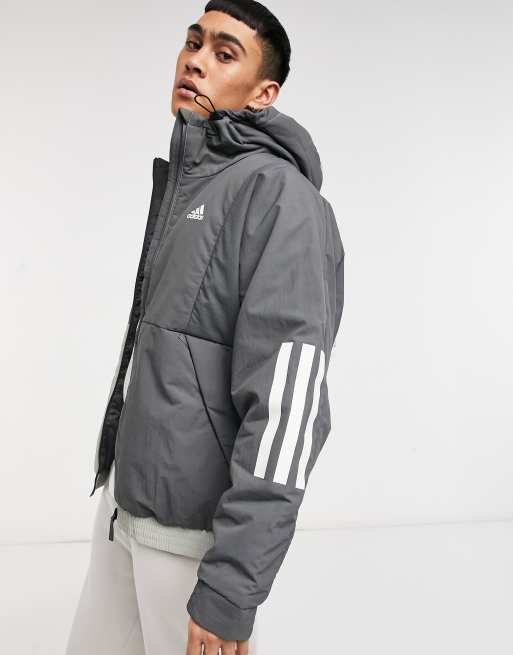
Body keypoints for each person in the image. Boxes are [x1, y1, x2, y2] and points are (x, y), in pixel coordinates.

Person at [65, 0, 345, 653]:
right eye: (193, 43)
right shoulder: (191, 185)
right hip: (124, 505)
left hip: (190, 535)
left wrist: (232, 585)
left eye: (224, 53)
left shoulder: (282, 201)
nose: (194, 61)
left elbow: (289, 410)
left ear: (263, 93)